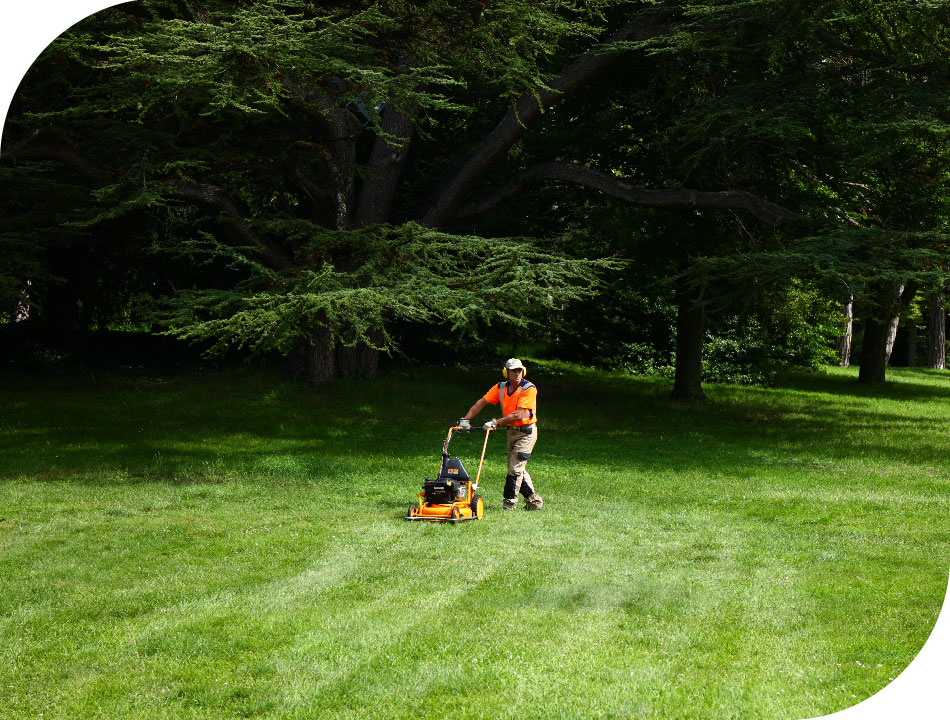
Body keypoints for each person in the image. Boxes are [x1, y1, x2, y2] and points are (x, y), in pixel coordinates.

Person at [459, 358, 543, 510]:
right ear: (506, 372)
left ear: (523, 371)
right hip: (511, 432)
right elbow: (481, 403)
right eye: (513, 371)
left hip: (527, 433)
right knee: (517, 468)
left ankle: (509, 504)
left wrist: (496, 423)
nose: (517, 373)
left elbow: (518, 415)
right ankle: (534, 502)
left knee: (514, 470)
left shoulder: (529, 389)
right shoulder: (501, 388)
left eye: (519, 370)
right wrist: (465, 420)